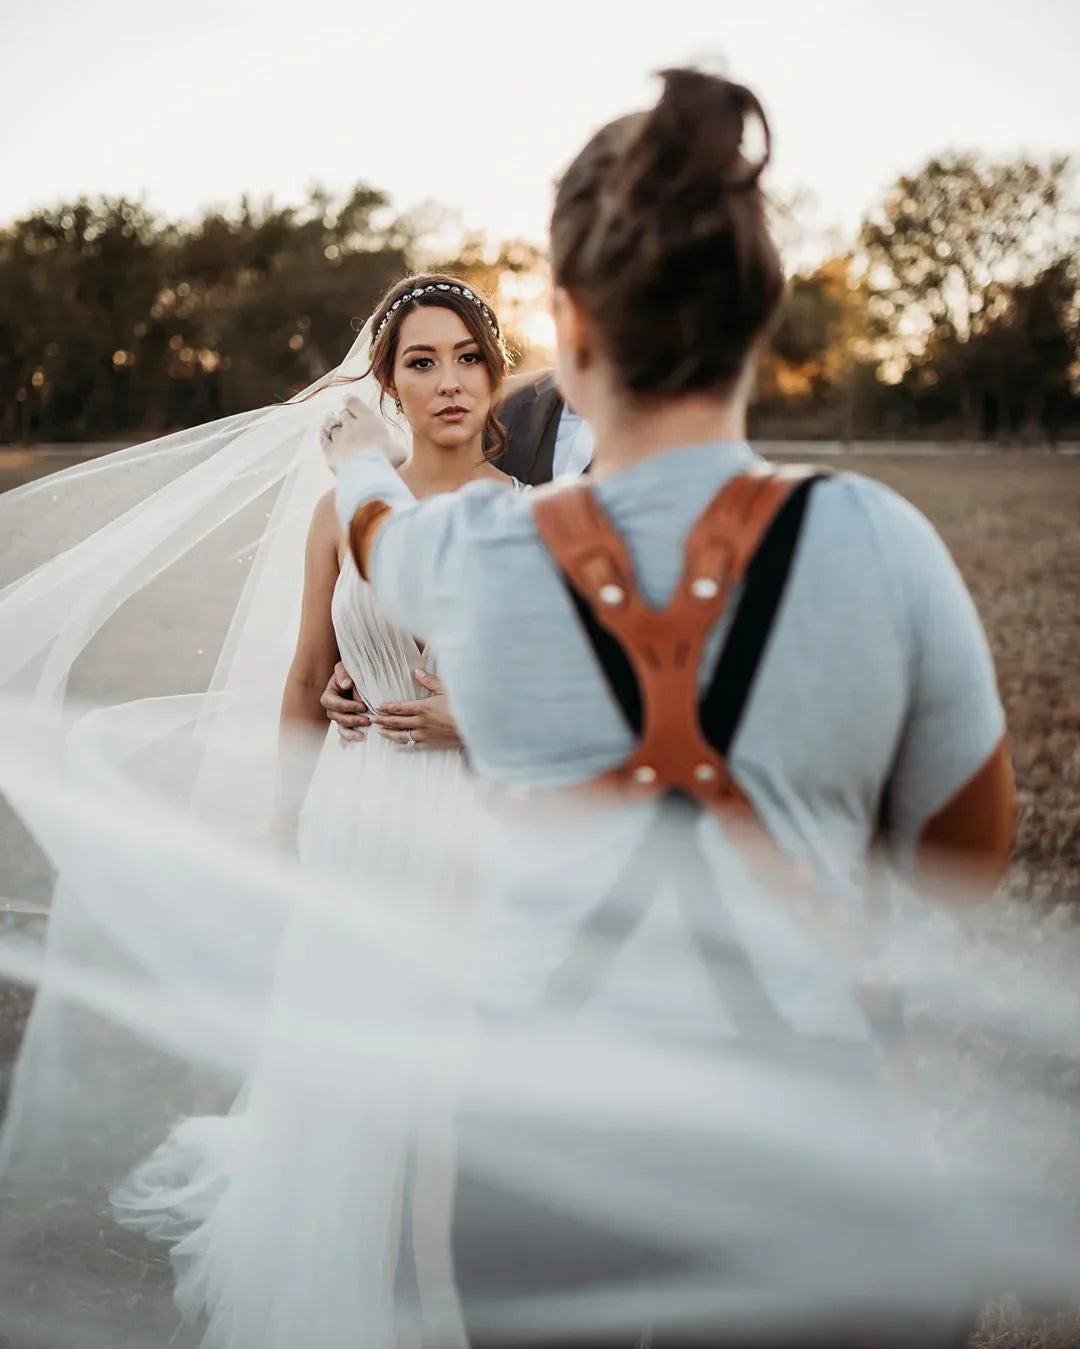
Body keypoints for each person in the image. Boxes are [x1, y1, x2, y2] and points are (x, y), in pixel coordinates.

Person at [323, 66, 1018, 1347]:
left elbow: (375, 533)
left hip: (544, 1153)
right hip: (813, 1144)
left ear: (572, 329)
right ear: (760, 323)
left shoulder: (476, 553)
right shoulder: (884, 541)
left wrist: (362, 457)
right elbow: (967, 857)